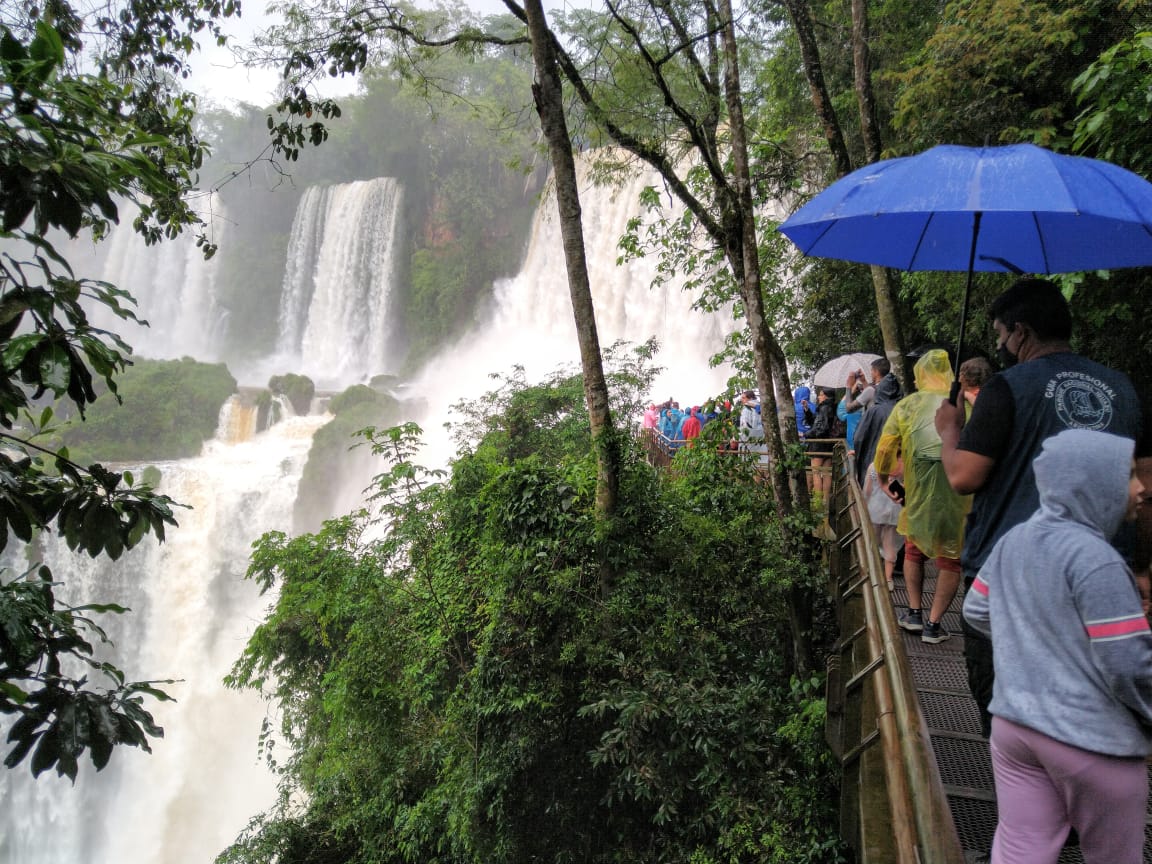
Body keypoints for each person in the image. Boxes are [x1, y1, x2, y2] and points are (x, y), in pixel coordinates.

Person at [936, 277, 1146, 735]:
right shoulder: (1122, 388)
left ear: (1021, 333)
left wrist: (950, 429)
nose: (1001, 345)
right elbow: (1144, 480)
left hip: (1009, 576)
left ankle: (1019, 794)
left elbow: (963, 476)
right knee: (1089, 707)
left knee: (1006, 713)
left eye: (1000, 335)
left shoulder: (1007, 388)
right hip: (1101, 575)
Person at [962, 429, 1152, 864]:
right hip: (1090, 741)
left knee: (1020, 849)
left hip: (1014, 728)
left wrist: (1032, 650)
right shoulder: (1096, 560)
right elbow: (1127, 664)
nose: (1141, 487)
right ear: (1094, 483)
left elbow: (976, 611)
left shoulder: (1014, 540)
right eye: (1127, 476)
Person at [875, 349, 972, 643]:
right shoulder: (962, 405)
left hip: (917, 493)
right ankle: (934, 624)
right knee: (950, 558)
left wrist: (883, 479)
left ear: (919, 374)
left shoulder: (908, 405)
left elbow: (885, 448)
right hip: (957, 495)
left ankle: (914, 612)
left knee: (914, 549)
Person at [851, 357, 902, 487]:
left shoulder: (875, 411)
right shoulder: (904, 409)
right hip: (900, 464)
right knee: (896, 499)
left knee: (874, 495)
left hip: (877, 460)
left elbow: (859, 437)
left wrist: (859, 451)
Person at [806, 387, 838, 496]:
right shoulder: (832, 407)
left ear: (825, 396)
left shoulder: (824, 408)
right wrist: (807, 410)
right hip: (828, 444)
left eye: (820, 395)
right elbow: (815, 422)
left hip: (818, 445)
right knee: (826, 473)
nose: (818, 397)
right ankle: (825, 502)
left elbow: (821, 428)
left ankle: (818, 503)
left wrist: (807, 434)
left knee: (816, 473)